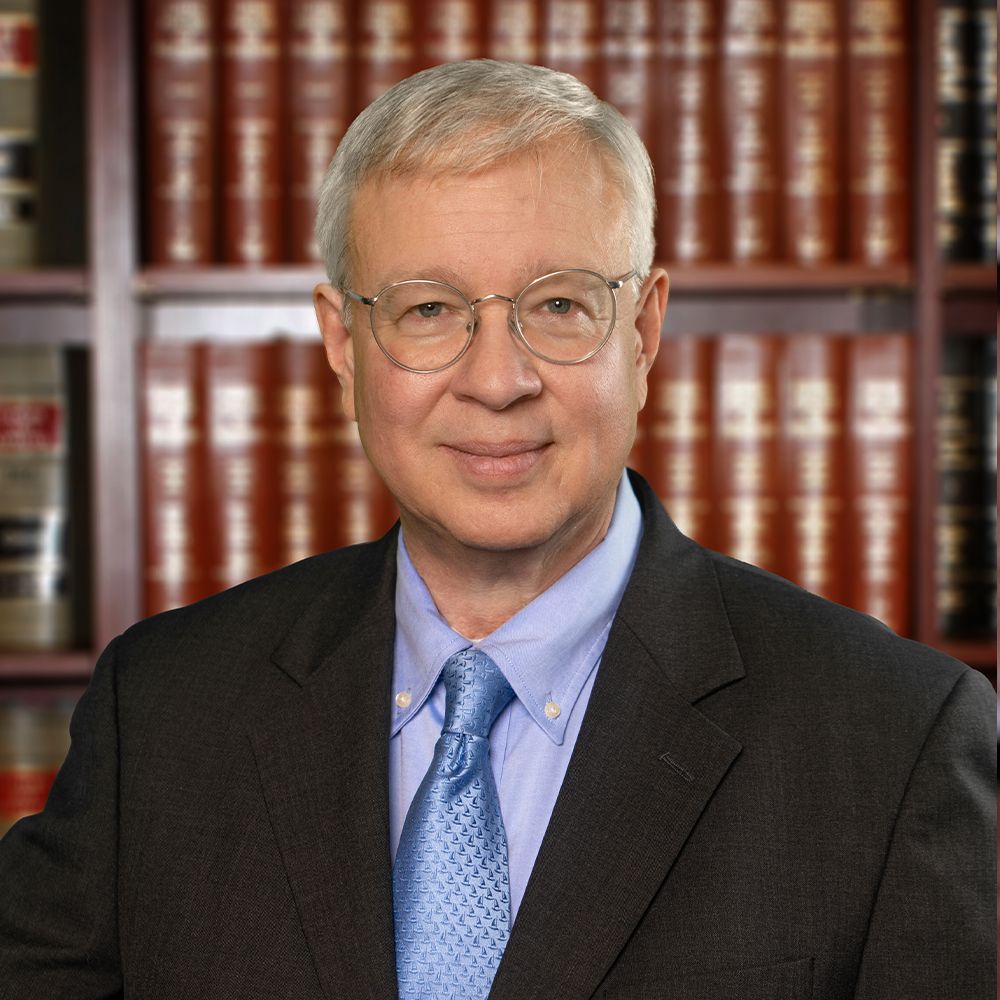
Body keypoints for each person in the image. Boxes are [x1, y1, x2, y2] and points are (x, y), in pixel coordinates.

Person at [0, 60, 994, 1000]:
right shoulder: (164, 709)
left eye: (557, 305)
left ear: (642, 332)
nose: (496, 380)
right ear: (343, 343)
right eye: (428, 310)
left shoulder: (895, 739)